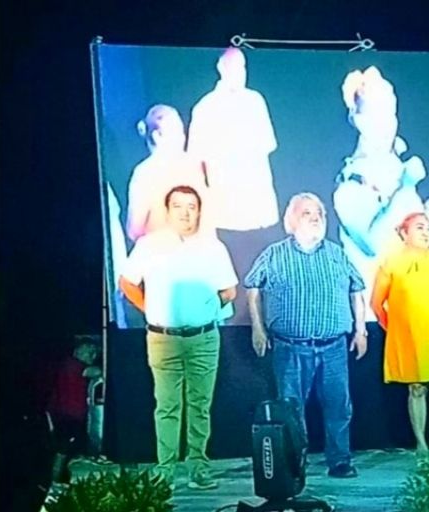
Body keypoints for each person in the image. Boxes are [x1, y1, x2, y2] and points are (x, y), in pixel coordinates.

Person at [119, 185, 238, 490]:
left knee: (200, 404)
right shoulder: (149, 245)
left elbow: (229, 290)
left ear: (199, 212)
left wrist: (205, 308)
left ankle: (198, 467)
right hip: (163, 339)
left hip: (204, 338)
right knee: (167, 405)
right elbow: (127, 282)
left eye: (191, 207)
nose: (185, 213)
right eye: (178, 206)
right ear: (167, 210)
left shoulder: (213, 247)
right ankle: (166, 471)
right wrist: (150, 309)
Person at [244, 193, 366, 478]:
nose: (315, 218)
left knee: (338, 406)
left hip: (333, 347)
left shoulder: (337, 254)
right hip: (290, 348)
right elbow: (252, 287)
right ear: (291, 221)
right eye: (307, 213)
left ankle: (340, 461)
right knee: (291, 409)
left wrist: (361, 330)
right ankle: (294, 464)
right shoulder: (274, 254)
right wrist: (257, 328)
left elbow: (357, 288)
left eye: (319, 214)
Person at [333, 66, 429, 320]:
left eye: (391, 114)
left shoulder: (398, 163)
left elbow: (405, 230)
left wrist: (426, 214)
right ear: (359, 120)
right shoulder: (350, 184)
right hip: (375, 314)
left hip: (413, 304)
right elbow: (373, 244)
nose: (387, 124)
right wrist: (407, 187)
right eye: (377, 114)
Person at [370, 212, 429, 452]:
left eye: (428, 228)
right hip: (409, 338)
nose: (426, 232)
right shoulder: (391, 262)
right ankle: (421, 444)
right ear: (404, 233)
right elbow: (376, 304)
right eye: (419, 227)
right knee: (416, 388)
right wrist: (395, 331)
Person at [188, 47, 278, 232]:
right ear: (221, 68)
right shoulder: (205, 108)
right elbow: (195, 162)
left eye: (242, 66)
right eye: (234, 66)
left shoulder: (255, 101)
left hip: (260, 210)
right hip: (226, 213)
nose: (241, 72)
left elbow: (268, 145)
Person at [126, 104, 214, 242]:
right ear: (157, 136)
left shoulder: (194, 166)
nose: (182, 138)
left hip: (194, 249)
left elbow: (134, 231)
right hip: (164, 250)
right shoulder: (145, 173)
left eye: (181, 132)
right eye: (175, 133)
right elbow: (135, 229)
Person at [47, 338, 103, 482]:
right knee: (62, 451)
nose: (93, 356)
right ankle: (55, 481)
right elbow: (94, 372)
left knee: (68, 452)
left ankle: (61, 480)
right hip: (67, 416)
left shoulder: (70, 365)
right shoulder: (72, 364)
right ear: (77, 351)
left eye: (95, 353)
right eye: (89, 352)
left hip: (71, 415)